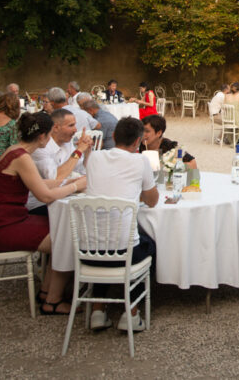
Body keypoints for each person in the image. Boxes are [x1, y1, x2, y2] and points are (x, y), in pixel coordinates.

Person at [0, 111, 87, 315]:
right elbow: (45, 196)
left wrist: (69, 182)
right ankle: (52, 301)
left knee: (62, 229)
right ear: (43, 136)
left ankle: (47, 292)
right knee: (67, 239)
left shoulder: (15, 150)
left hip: (5, 220)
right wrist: (76, 186)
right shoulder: (22, 157)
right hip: (2, 226)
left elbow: (39, 183)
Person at [84, 117, 159, 332]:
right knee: (148, 246)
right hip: (124, 251)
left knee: (105, 239)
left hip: (88, 249)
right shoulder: (140, 161)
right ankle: (131, 312)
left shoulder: (95, 158)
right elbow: (153, 201)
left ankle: (98, 310)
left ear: (114, 136)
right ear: (138, 142)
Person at [26, 109, 92, 214]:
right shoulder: (41, 147)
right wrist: (78, 151)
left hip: (64, 197)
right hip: (40, 204)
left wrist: (87, 151)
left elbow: (82, 171)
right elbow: (55, 178)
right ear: (56, 127)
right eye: (71, 126)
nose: (75, 130)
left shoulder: (67, 143)